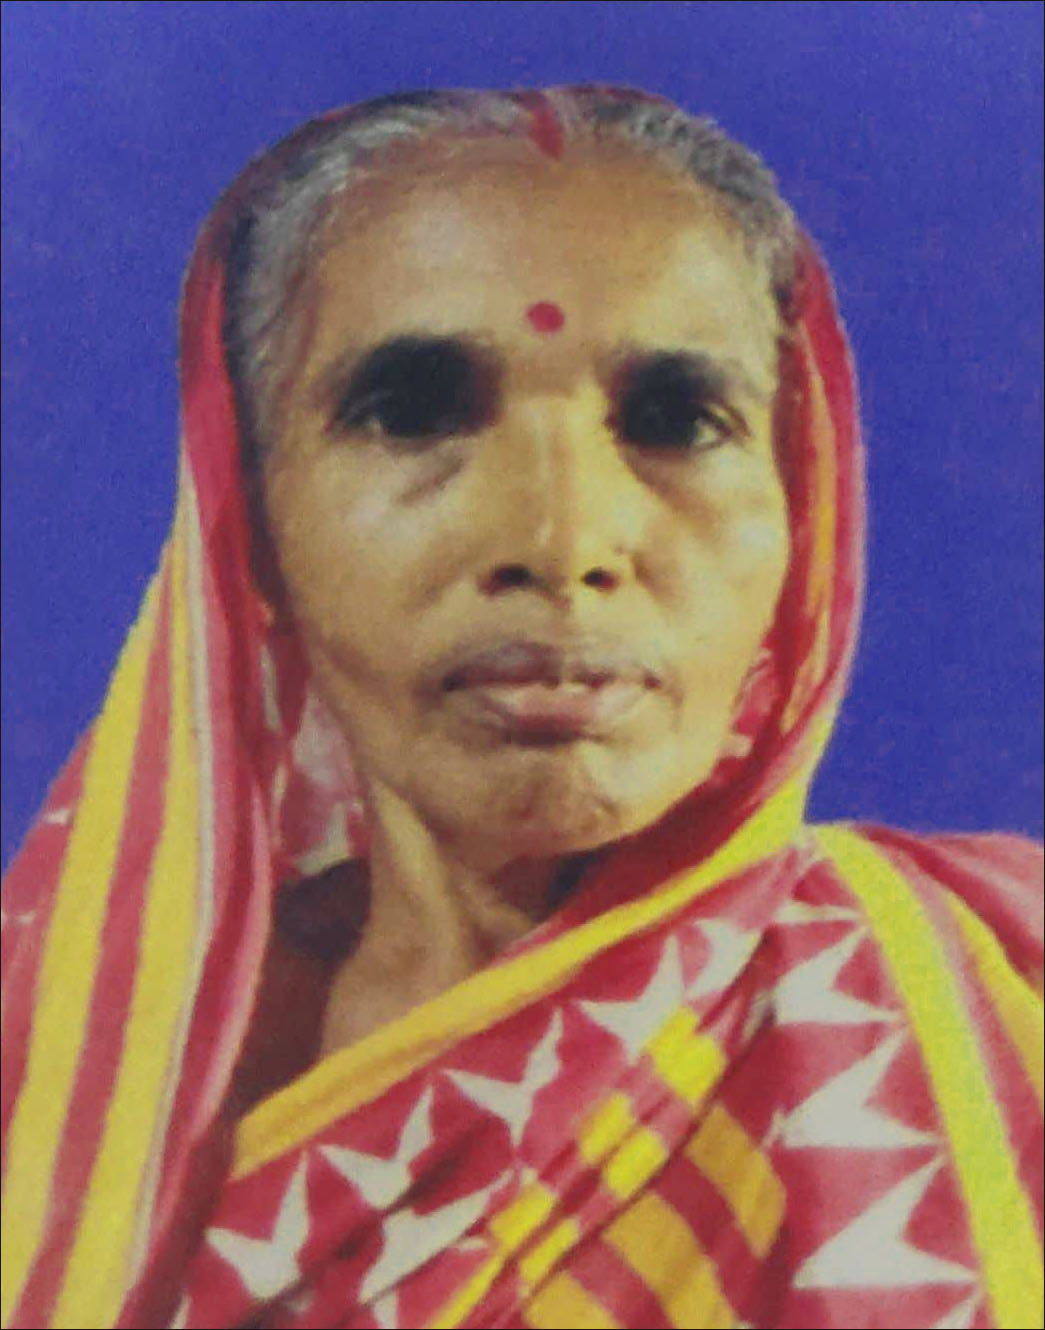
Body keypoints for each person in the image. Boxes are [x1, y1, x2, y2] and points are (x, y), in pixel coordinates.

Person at [1, 86, 1040, 1330]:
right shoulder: (61, 1075)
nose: (561, 539)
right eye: (410, 412)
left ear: (806, 508)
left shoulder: (1002, 989)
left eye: (676, 420)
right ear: (252, 525)